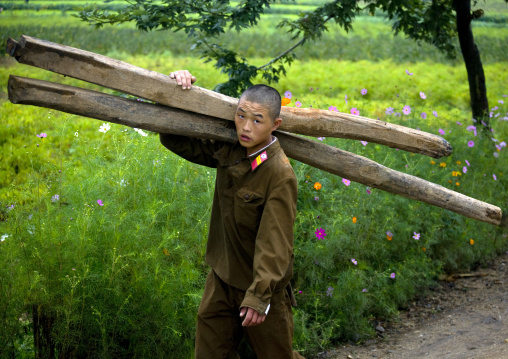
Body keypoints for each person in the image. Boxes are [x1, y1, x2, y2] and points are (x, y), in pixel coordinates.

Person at [160, 70, 304, 358]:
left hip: (261, 288)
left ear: (275, 124)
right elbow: (175, 139)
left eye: (257, 120)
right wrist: (177, 91)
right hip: (222, 279)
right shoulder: (231, 150)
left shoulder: (279, 174)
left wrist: (259, 295)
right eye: (240, 116)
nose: (245, 127)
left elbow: (275, 243)